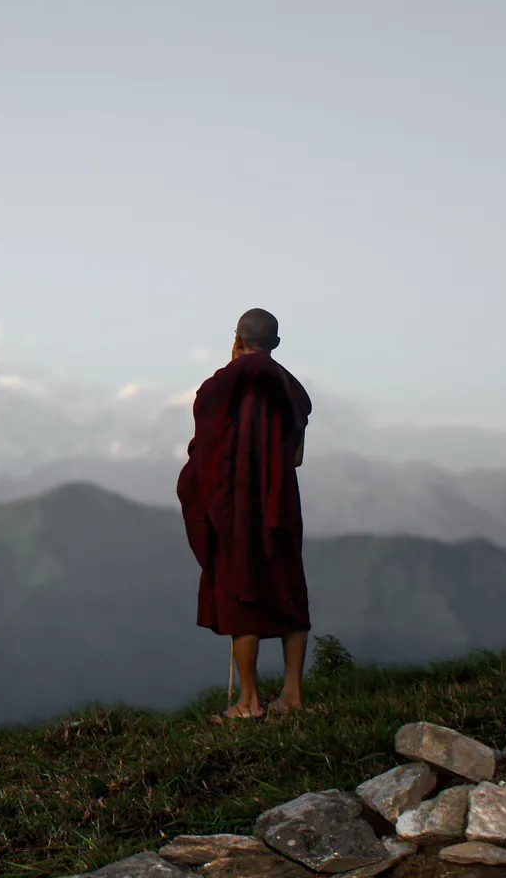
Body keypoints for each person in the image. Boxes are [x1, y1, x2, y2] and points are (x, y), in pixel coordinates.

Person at [175, 307, 313, 722]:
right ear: (276, 344)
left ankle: (248, 702)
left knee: (241, 595)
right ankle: (292, 695)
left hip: (235, 506)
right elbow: (297, 456)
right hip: (280, 501)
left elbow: (205, 453)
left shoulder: (218, 387)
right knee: (287, 587)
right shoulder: (290, 389)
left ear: (237, 339)